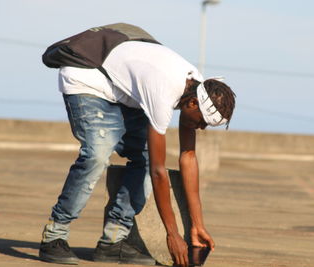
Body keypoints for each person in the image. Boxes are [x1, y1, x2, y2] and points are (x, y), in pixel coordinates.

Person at [39, 23, 236, 267]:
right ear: (193, 105)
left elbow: (188, 157)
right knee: (98, 155)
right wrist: (172, 234)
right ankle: (54, 235)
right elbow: (158, 171)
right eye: (203, 123)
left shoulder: (197, 90)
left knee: (143, 156)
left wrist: (198, 225)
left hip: (123, 91)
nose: (202, 129)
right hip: (88, 77)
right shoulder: (165, 91)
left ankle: (112, 241)